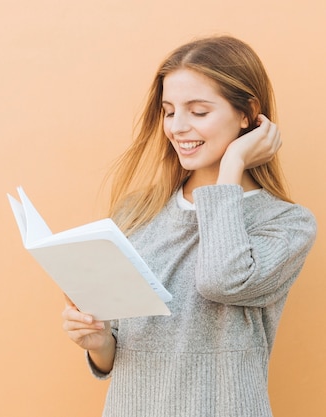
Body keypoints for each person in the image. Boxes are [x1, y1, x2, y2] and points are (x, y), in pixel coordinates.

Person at [61, 35, 317, 417]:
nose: (178, 127)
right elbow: (123, 349)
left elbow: (221, 279)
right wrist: (99, 343)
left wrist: (232, 167)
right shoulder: (138, 212)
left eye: (198, 112)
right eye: (168, 111)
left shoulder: (287, 224)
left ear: (248, 114)